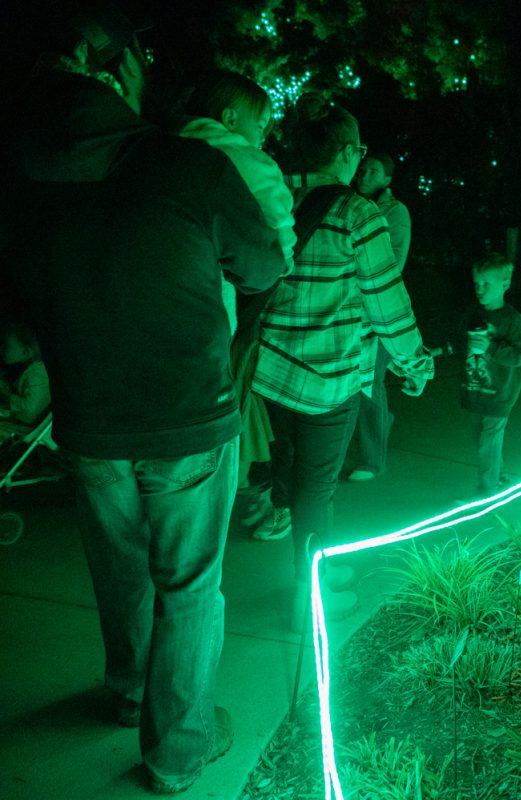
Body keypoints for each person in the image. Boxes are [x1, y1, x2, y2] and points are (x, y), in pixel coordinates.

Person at [0, 3, 286, 793]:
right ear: (119, 75)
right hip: (188, 417)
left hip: (89, 424)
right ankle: (178, 750)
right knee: (188, 587)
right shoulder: (186, 165)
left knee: (119, 571)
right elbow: (263, 266)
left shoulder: (21, 178)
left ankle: (127, 693)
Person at [253, 98, 432, 628]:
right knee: (315, 490)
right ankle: (307, 600)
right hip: (328, 381)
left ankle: (315, 573)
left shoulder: (274, 197)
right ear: (350, 153)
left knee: (293, 478)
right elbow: (386, 302)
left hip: (269, 373)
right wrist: (414, 363)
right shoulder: (358, 213)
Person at [178, 69, 298, 542]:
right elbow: (277, 238)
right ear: (229, 117)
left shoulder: (160, 148)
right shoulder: (247, 161)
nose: (264, 133)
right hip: (221, 301)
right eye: (261, 121)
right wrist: (283, 253)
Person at [346, 149, 412, 482]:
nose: (363, 175)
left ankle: (372, 460)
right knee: (361, 382)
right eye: (362, 169)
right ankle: (378, 428)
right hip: (353, 311)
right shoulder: (350, 205)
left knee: (370, 384)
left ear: (387, 179)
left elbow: (392, 264)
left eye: (372, 171)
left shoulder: (394, 212)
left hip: (380, 312)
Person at [461, 255, 521, 496]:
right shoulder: (475, 313)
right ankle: (499, 475)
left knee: (488, 439)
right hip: (476, 386)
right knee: (480, 438)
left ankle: (487, 490)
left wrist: (491, 347)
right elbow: (461, 341)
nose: (480, 289)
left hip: (501, 391)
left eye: (486, 284)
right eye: (477, 284)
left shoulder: (512, 319)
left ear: (505, 284)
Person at [0, 323, 50, 438]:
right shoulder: (32, 370)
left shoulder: (36, 373)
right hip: (24, 422)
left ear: (26, 351)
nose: (1, 349)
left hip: (27, 428)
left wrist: (6, 395)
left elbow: (30, 408)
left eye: (5, 346)